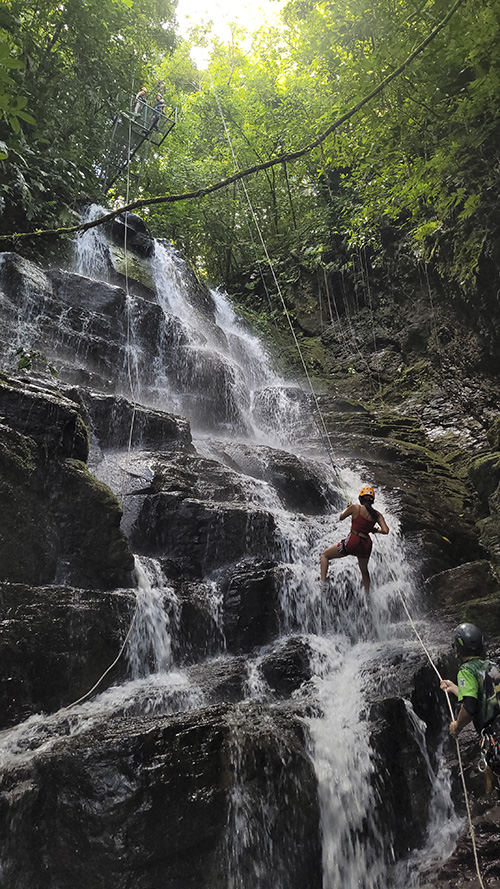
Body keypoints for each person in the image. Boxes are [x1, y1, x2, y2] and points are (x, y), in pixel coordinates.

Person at [320, 485, 389, 594]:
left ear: (360, 498)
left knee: (325, 555)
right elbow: (386, 531)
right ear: (372, 501)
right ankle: (367, 596)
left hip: (353, 541)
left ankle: (323, 584)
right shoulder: (377, 515)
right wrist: (375, 530)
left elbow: (341, 517)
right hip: (366, 545)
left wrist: (349, 508)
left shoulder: (355, 507)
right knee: (364, 571)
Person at [440, 623, 500, 737]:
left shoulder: (466, 671)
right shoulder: (493, 666)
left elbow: (469, 708)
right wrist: (454, 688)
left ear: (457, 649)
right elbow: (482, 697)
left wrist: (457, 726)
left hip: (494, 736)